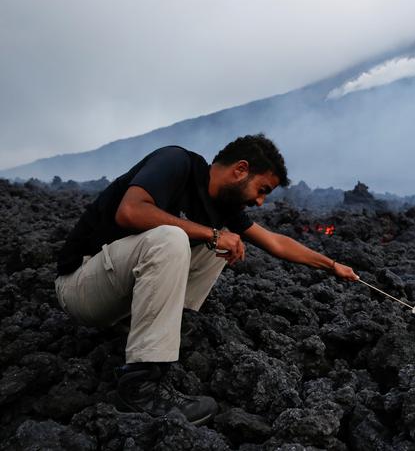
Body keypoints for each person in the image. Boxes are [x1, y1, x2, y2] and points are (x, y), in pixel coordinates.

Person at [54, 134, 359, 425]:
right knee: (176, 238)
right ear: (241, 170)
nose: (261, 202)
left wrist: (332, 266)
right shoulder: (176, 162)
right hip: (80, 287)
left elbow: (275, 242)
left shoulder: (224, 204)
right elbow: (130, 211)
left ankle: (161, 334)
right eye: (262, 189)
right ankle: (140, 385)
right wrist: (212, 234)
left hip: (116, 294)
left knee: (224, 244)